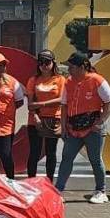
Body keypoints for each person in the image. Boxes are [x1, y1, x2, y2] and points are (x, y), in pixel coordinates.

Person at [56, 52, 110, 203]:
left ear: (83, 66)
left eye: (72, 67)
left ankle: (101, 191)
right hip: (73, 128)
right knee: (66, 158)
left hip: (93, 128)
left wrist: (100, 122)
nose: (69, 70)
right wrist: (63, 126)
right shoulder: (68, 82)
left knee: (95, 159)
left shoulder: (97, 80)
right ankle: (58, 190)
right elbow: (64, 105)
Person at [26, 50, 66, 181]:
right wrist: (36, 116)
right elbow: (31, 104)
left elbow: (61, 100)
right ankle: (31, 181)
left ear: (53, 63)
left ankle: (49, 181)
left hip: (53, 119)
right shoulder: (33, 79)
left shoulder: (60, 80)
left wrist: (42, 104)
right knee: (34, 152)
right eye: (41, 62)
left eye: (47, 62)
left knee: (51, 152)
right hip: (35, 120)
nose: (44, 65)